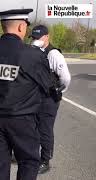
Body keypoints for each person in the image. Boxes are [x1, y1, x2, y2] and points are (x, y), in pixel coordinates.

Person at [0, 9, 58, 180]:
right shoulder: (32, 55)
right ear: (22, 27)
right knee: (29, 161)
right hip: (22, 119)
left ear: (3, 27)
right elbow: (49, 86)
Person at [30, 25, 71, 174]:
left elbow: (65, 78)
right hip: (35, 97)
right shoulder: (34, 52)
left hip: (48, 98)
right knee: (32, 127)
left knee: (45, 129)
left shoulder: (53, 54)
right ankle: (30, 155)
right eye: (33, 38)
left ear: (47, 37)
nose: (35, 40)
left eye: (38, 37)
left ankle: (45, 160)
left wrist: (57, 91)